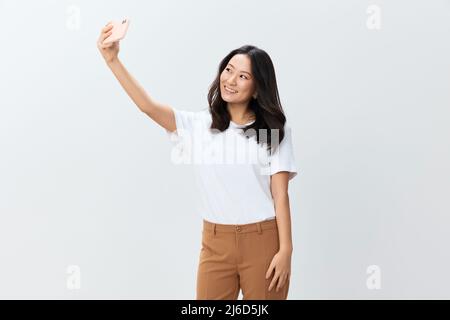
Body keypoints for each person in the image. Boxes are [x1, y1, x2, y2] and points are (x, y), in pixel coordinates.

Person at [97, 22, 298, 300]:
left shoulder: (275, 131)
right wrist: (113, 60)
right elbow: (148, 107)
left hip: (263, 240)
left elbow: (280, 194)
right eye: (228, 70)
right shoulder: (200, 126)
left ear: (256, 88)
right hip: (216, 242)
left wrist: (286, 249)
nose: (230, 80)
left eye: (243, 76)